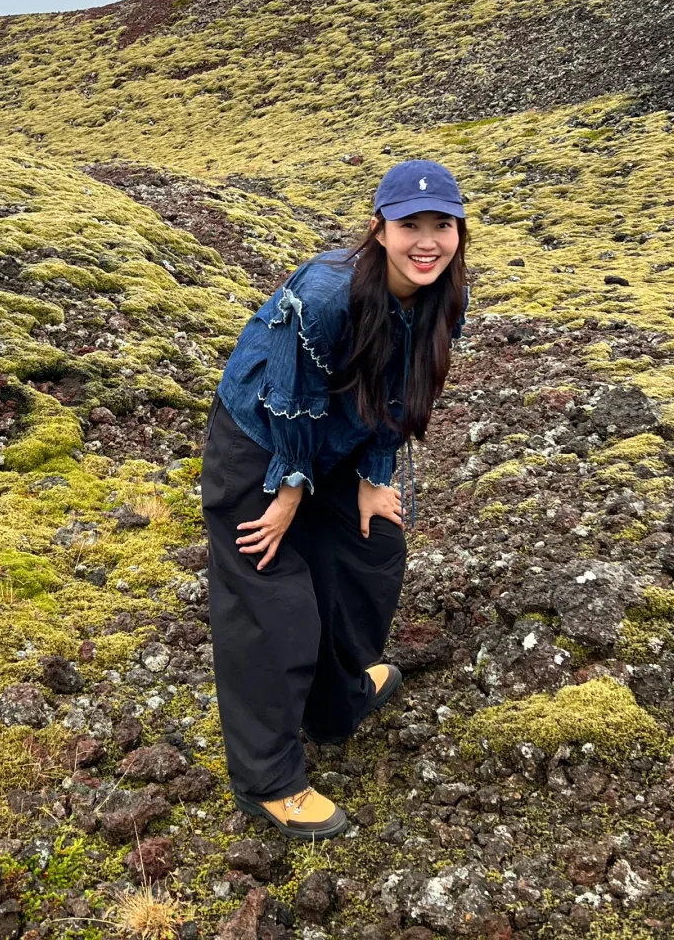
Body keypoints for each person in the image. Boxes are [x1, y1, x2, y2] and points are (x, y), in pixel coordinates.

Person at [200, 159, 470, 840]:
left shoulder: (445, 294)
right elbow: (288, 397)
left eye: (442, 224)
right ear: (380, 229)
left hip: (339, 441)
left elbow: (406, 389)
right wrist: (290, 491)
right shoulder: (325, 294)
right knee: (272, 598)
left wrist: (377, 474)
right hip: (261, 440)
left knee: (370, 553)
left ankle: (337, 702)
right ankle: (268, 779)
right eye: (412, 225)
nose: (427, 241)